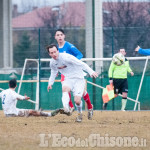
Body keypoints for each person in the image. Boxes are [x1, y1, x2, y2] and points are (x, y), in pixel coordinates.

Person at [46, 44, 98, 122]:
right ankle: (66, 108)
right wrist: (50, 83)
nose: (54, 54)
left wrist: (91, 71)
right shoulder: (52, 62)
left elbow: (81, 64)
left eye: (55, 52)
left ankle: (80, 113)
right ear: (49, 54)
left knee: (77, 101)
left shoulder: (67, 58)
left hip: (78, 78)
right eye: (51, 53)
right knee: (65, 88)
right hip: (68, 78)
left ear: (58, 51)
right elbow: (53, 72)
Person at [54, 29, 93, 119]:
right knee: (65, 89)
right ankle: (71, 108)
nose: (59, 36)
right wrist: (56, 71)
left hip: (75, 72)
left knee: (81, 93)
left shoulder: (69, 46)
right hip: (66, 73)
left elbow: (79, 55)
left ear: (64, 36)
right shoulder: (55, 49)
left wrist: (73, 63)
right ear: (55, 37)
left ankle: (90, 107)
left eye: (61, 35)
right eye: (58, 35)